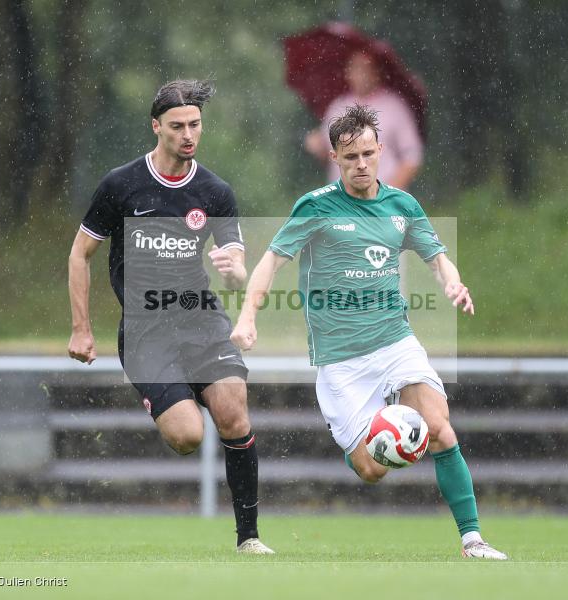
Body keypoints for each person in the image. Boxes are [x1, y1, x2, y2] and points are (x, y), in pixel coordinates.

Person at [232, 104, 507, 560]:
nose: (361, 164)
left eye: (367, 153)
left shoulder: (402, 205)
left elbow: (436, 256)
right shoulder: (316, 207)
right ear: (335, 159)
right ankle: (378, 431)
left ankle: (472, 539)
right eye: (349, 157)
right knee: (370, 469)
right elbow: (271, 261)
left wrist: (453, 283)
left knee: (438, 428)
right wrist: (247, 317)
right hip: (341, 361)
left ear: (381, 149)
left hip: (395, 342)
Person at [67, 79, 273, 555]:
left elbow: (238, 269)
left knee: (234, 412)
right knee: (185, 437)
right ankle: (173, 396)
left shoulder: (214, 191)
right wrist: (81, 327)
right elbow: (80, 255)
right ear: (156, 126)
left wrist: (234, 271)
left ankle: (250, 539)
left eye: (195, 125)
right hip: (145, 330)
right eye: (177, 125)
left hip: (201, 321)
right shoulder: (122, 185)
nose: (188, 134)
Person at [304, 51, 423, 190]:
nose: (361, 74)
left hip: (382, 200)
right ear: (348, 73)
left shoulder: (394, 106)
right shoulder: (337, 107)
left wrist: (388, 195)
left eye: (366, 68)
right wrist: (319, 146)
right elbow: (332, 155)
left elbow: (412, 155)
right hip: (343, 202)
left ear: (377, 72)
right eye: (355, 68)